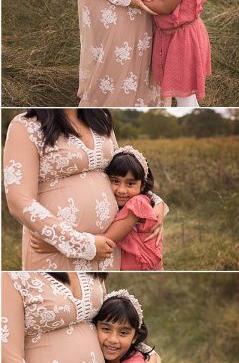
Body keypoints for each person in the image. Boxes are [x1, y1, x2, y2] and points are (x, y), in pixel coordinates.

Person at [3, 109, 164, 270]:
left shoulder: (102, 117)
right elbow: (19, 201)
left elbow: (121, 172)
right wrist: (84, 245)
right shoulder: (25, 125)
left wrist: (156, 203)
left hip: (106, 252)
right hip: (54, 250)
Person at [103, 147, 164, 270]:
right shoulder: (142, 199)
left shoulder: (137, 203)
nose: (121, 190)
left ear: (142, 186)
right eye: (115, 181)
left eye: (130, 183)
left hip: (142, 267)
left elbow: (108, 239)